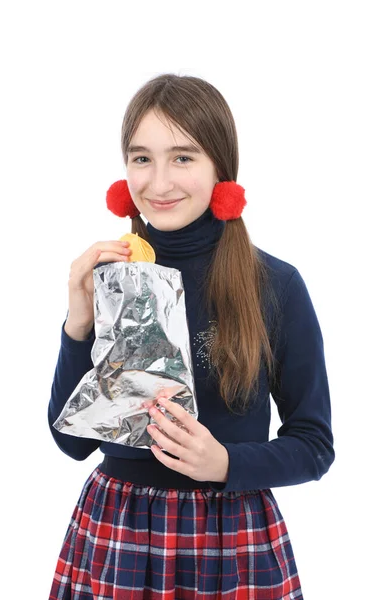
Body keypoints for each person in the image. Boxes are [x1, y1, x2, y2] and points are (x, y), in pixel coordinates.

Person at [48, 73, 335, 599]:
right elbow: (70, 442)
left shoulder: (275, 285)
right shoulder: (113, 277)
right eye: (141, 159)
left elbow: (314, 446)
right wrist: (77, 323)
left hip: (229, 539)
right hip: (118, 530)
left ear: (220, 169)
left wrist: (226, 463)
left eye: (183, 158)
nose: (158, 184)